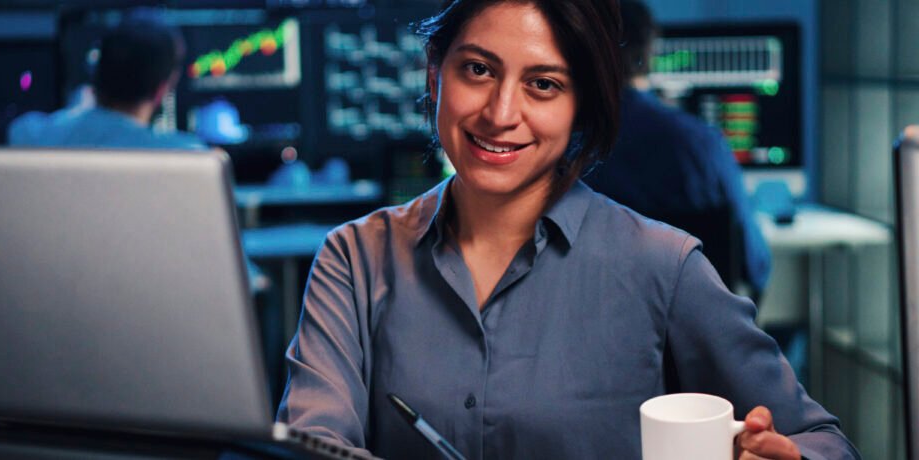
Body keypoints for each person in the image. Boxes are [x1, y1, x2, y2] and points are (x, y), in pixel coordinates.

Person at [278, 1, 859, 459]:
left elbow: (825, 443)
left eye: (543, 84)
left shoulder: (664, 265)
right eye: (478, 70)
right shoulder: (354, 258)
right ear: (435, 76)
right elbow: (311, 443)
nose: (500, 113)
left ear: (581, 107)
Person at [582, 0, 771, 298]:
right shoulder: (703, 144)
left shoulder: (570, 148)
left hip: (598, 319)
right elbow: (755, 264)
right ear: (647, 53)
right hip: (694, 322)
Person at [7, 16, 204, 150]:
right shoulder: (187, 155)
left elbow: (19, 130)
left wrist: (75, 114)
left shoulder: (31, 135)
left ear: (97, 75)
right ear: (160, 91)